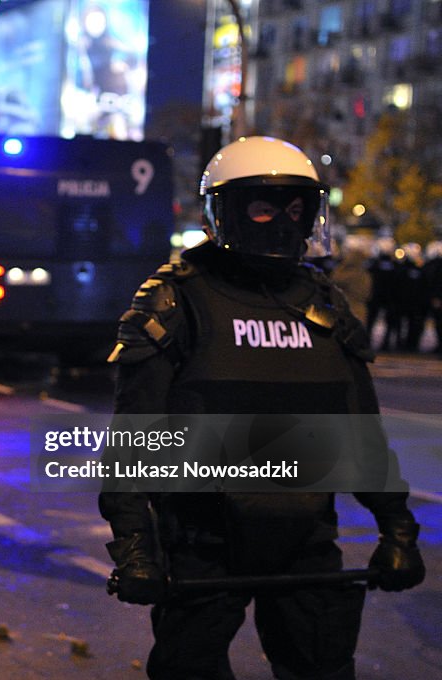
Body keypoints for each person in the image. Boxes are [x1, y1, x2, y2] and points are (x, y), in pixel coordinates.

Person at [100, 136, 425, 680]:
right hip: (203, 543)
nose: (280, 222)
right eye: (261, 206)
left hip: (306, 541)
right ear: (223, 212)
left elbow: (362, 434)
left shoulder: (324, 305)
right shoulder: (176, 301)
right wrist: (135, 548)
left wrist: (397, 530)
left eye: (295, 208)